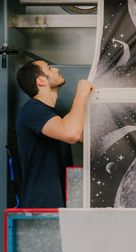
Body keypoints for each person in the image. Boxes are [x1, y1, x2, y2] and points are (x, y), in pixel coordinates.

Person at [15, 59, 93, 208]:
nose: (56, 70)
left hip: (58, 204)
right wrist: (81, 95)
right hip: (43, 206)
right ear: (41, 80)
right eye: (50, 68)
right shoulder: (32, 110)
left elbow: (84, 137)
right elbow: (72, 134)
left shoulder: (53, 116)